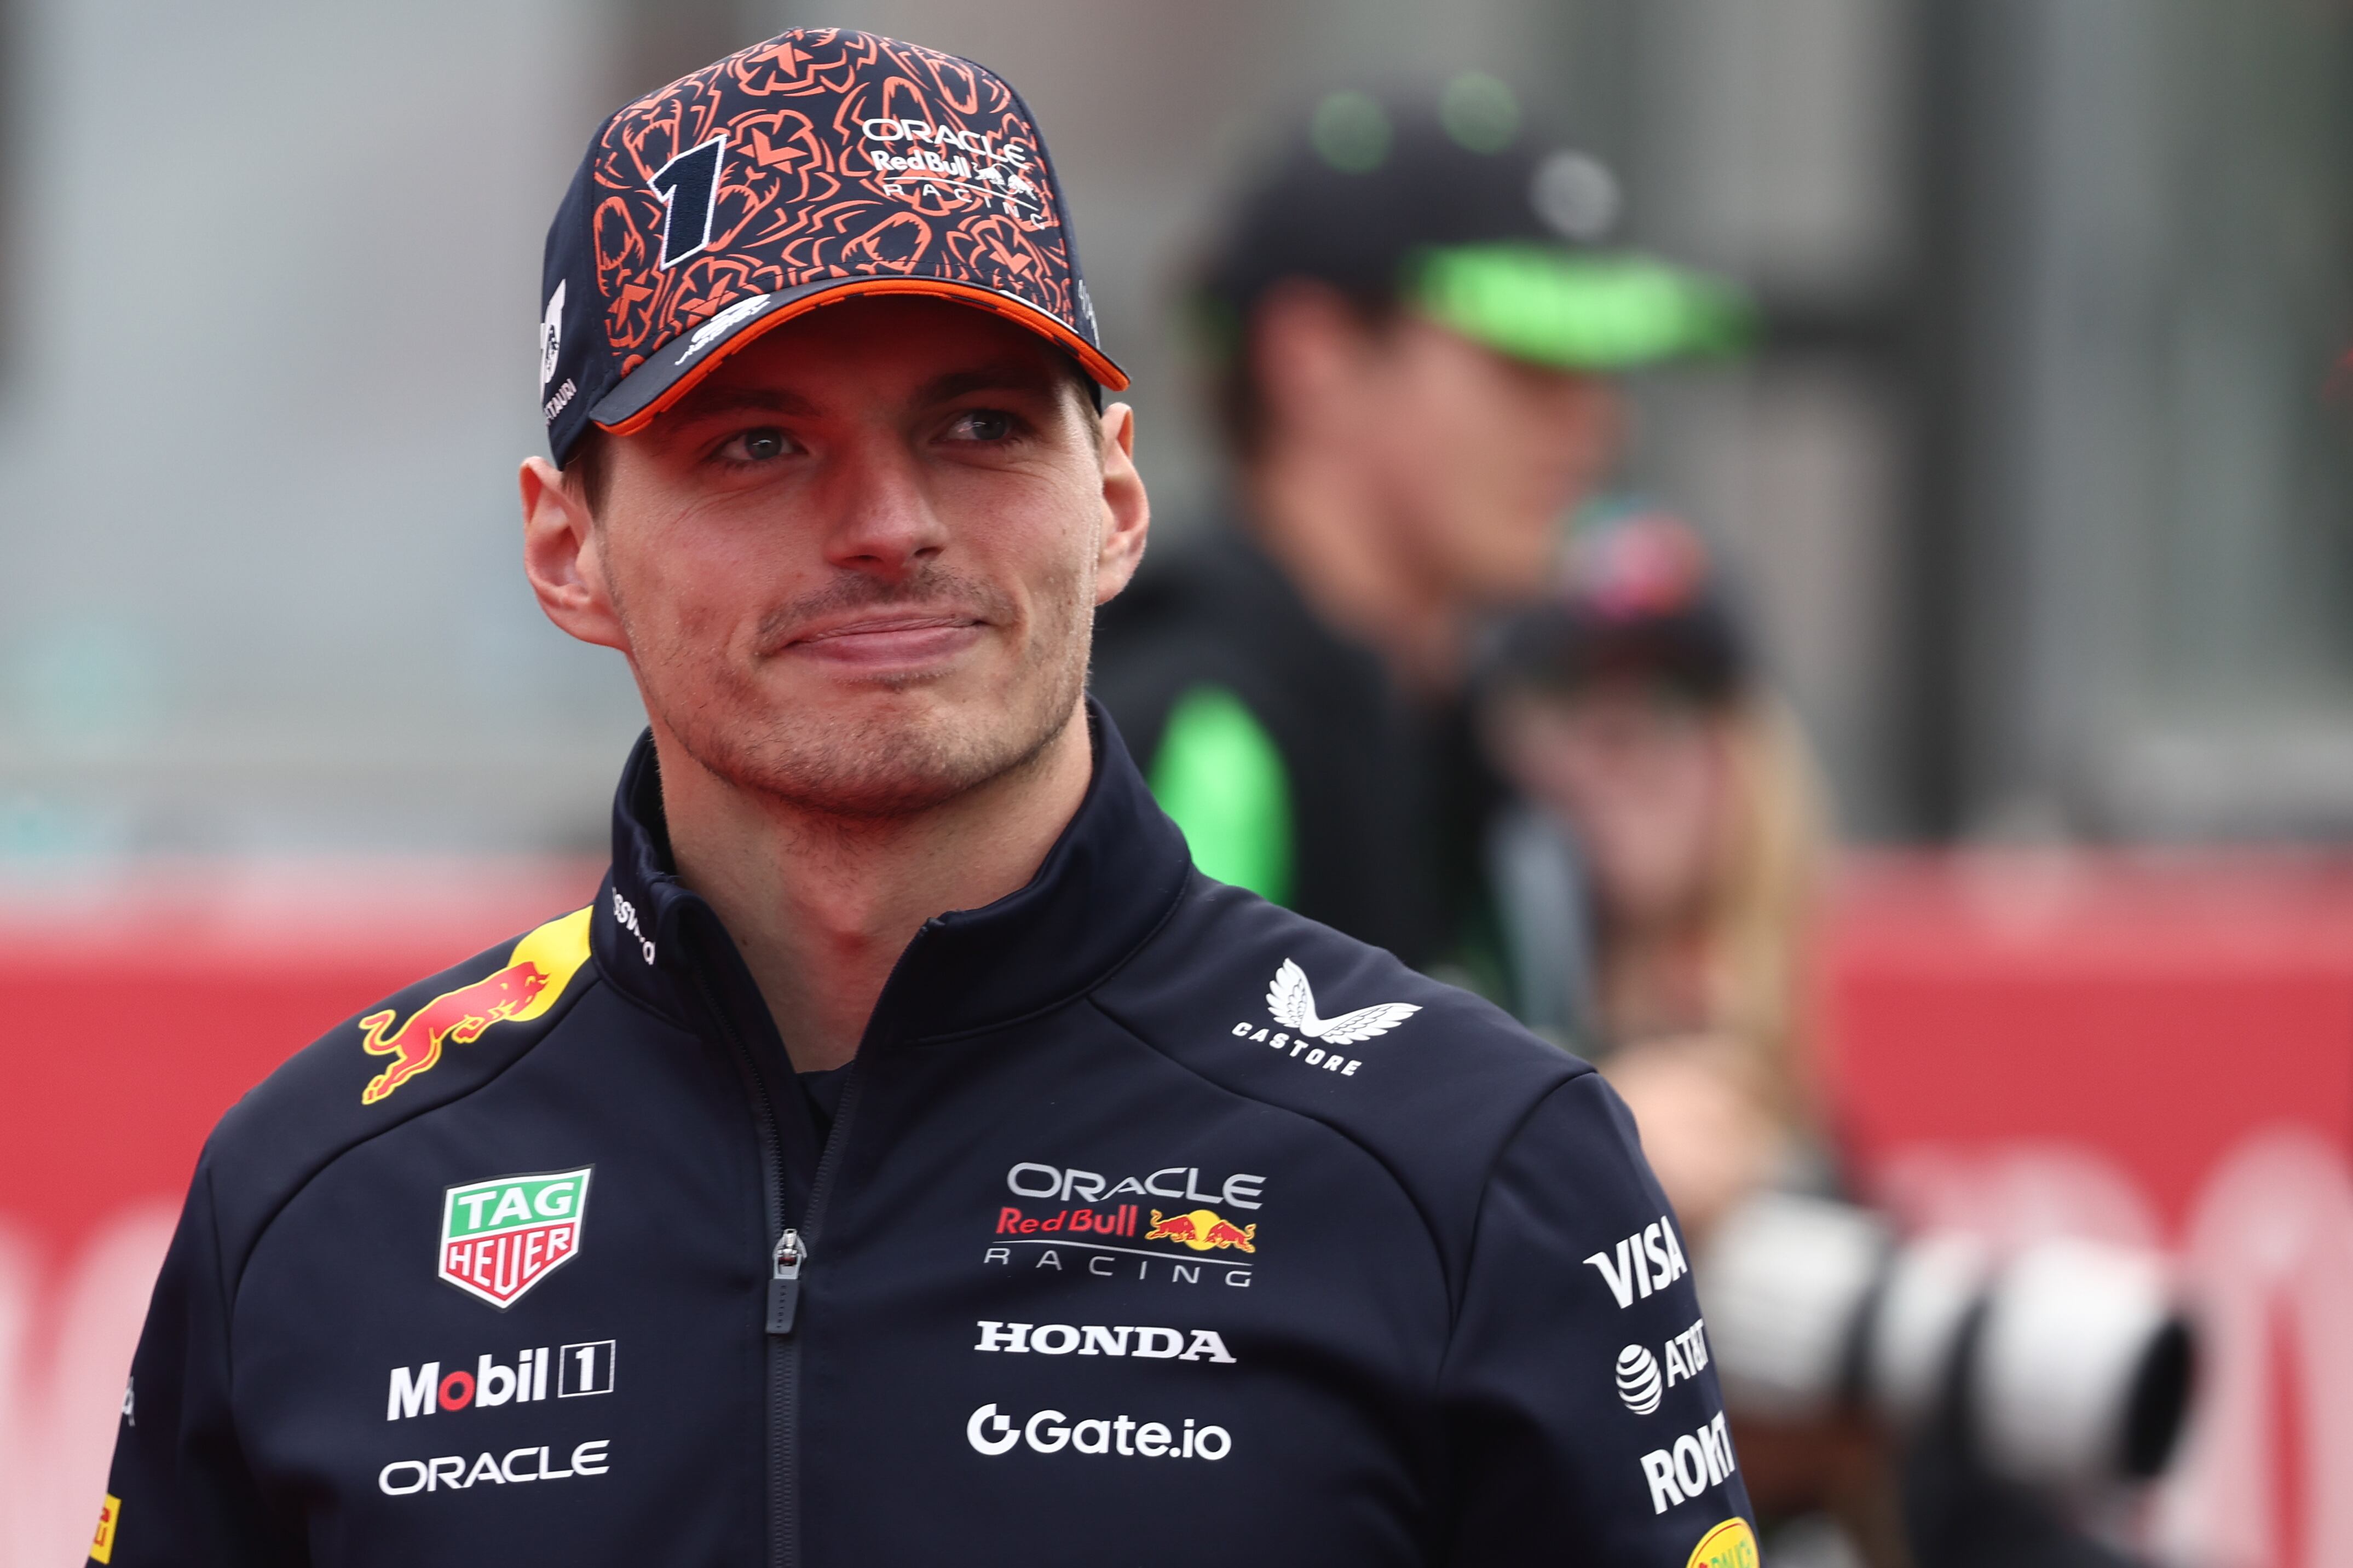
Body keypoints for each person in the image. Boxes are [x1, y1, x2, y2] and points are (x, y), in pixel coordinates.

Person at [94, 31, 1751, 1567]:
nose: (889, 520)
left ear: (1110, 494)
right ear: (565, 547)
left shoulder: (1476, 1163)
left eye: (975, 424)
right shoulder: (319, 1197)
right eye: (755, 443)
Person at [1092, 85, 1746, 975]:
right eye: (1531, 358)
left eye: (1602, 371)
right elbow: (1134, 1108)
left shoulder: (1459, 738)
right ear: (1312, 359)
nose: (1594, 428)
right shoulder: (1200, 739)